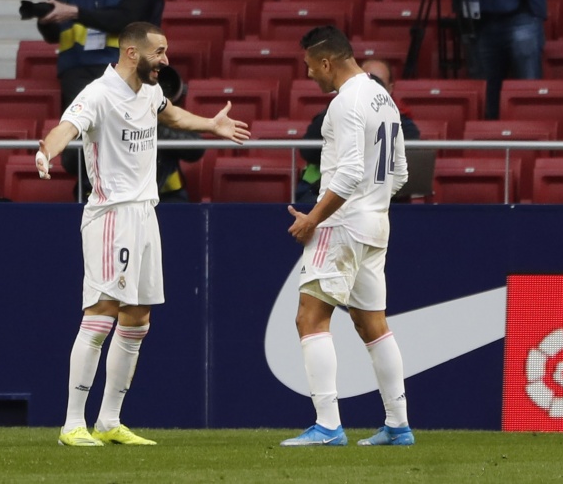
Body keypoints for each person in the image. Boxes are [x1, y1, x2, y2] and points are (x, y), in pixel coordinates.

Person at [36, 22, 250, 447]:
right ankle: (72, 424)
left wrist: (211, 125)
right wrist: (46, 151)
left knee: (137, 318)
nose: (165, 60)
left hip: (146, 213)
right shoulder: (98, 94)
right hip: (111, 215)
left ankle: (109, 421)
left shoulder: (149, 91)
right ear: (132, 52)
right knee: (101, 314)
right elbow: (67, 128)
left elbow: (169, 112)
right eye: (159, 52)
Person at [281, 26, 413, 447]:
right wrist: (374, 201)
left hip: (342, 225)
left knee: (309, 317)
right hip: (376, 224)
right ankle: (398, 425)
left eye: (309, 66)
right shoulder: (383, 99)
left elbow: (351, 171)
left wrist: (313, 219)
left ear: (326, 62)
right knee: (372, 323)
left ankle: (327, 426)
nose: (309, 75)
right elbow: (401, 173)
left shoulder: (345, 102)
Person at [36, 0, 165, 192]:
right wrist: (46, 19)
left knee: (122, 137)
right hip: (76, 70)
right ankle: (92, 191)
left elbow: (128, 20)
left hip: (123, 70)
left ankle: (129, 192)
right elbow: (55, 33)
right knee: (78, 145)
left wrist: (75, 12)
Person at [295, 58, 420, 204]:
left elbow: (404, 166)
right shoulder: (335, 111)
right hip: (324, 191)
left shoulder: (401, 122)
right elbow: (308, 151)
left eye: (377, 83)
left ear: (389, 89)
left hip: (378, 195)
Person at [460, 0, 547, 119]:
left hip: (522, 11)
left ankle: (529, 132)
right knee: (486, 104)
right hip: (481, 19)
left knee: (528, 98)